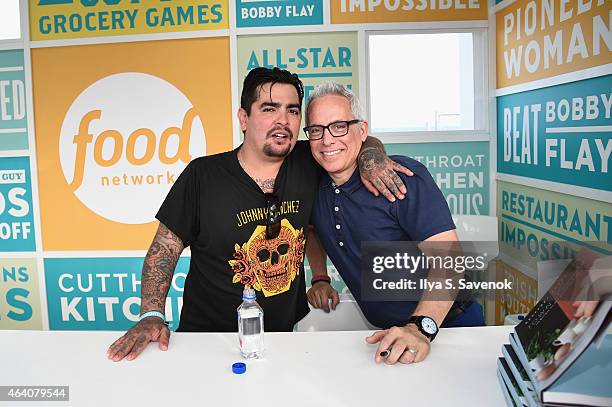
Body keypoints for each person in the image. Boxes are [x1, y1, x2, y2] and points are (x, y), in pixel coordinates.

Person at [107, 68, 413, 361]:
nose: (283, 121)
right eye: (269, 109)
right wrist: (151, 314)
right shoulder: (203, 175)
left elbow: (359, 139)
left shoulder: (311, 160)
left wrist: (372, 157)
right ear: (244, 118)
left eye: (293, 111)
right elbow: (165, 248)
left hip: (280, 340)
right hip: (206, 341)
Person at [304, 82, 485, 366]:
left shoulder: (402, 178)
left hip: (447, 328)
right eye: (316, 130)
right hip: (384, 339)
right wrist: (319, 277)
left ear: (362, 130)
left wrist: (419, 328)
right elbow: (312, 230)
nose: (327, 139)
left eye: (339, 125)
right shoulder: (312, 184)